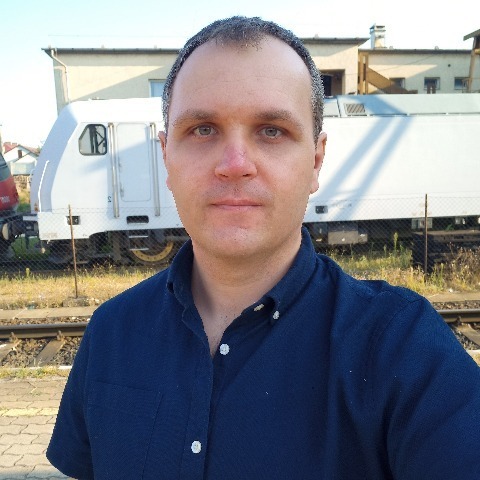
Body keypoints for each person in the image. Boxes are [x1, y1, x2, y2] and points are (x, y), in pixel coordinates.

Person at [47, 16, 480, 479]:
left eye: (271, 130)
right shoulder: (110, 334)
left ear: (315, 161)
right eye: (203, 129)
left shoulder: (403, 349)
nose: (235, 165)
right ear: (165, 156)